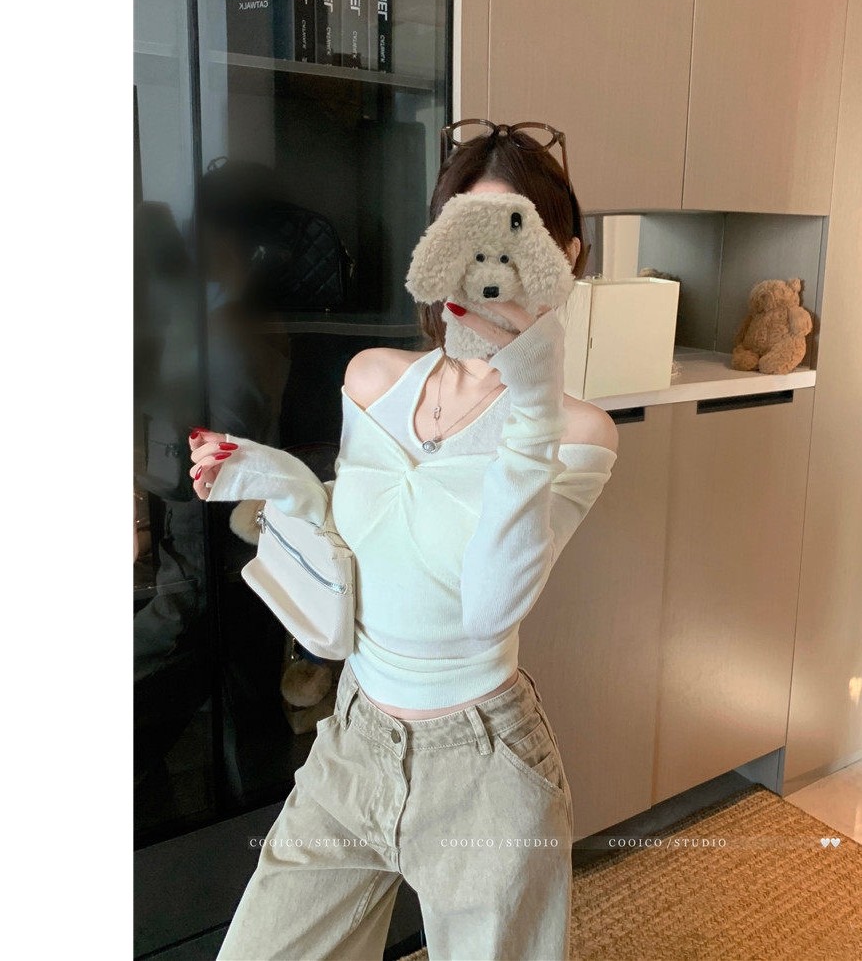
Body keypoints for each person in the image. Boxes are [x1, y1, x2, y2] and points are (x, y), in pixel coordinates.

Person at [191, 122, 619, 960]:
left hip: (483, 768)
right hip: (353, 740)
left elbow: (489, 606)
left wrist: (531, 393)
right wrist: (279, 480)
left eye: (517, 237)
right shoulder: (371, 379)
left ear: (566, 258)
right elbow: (361, 545)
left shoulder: (576, 434)